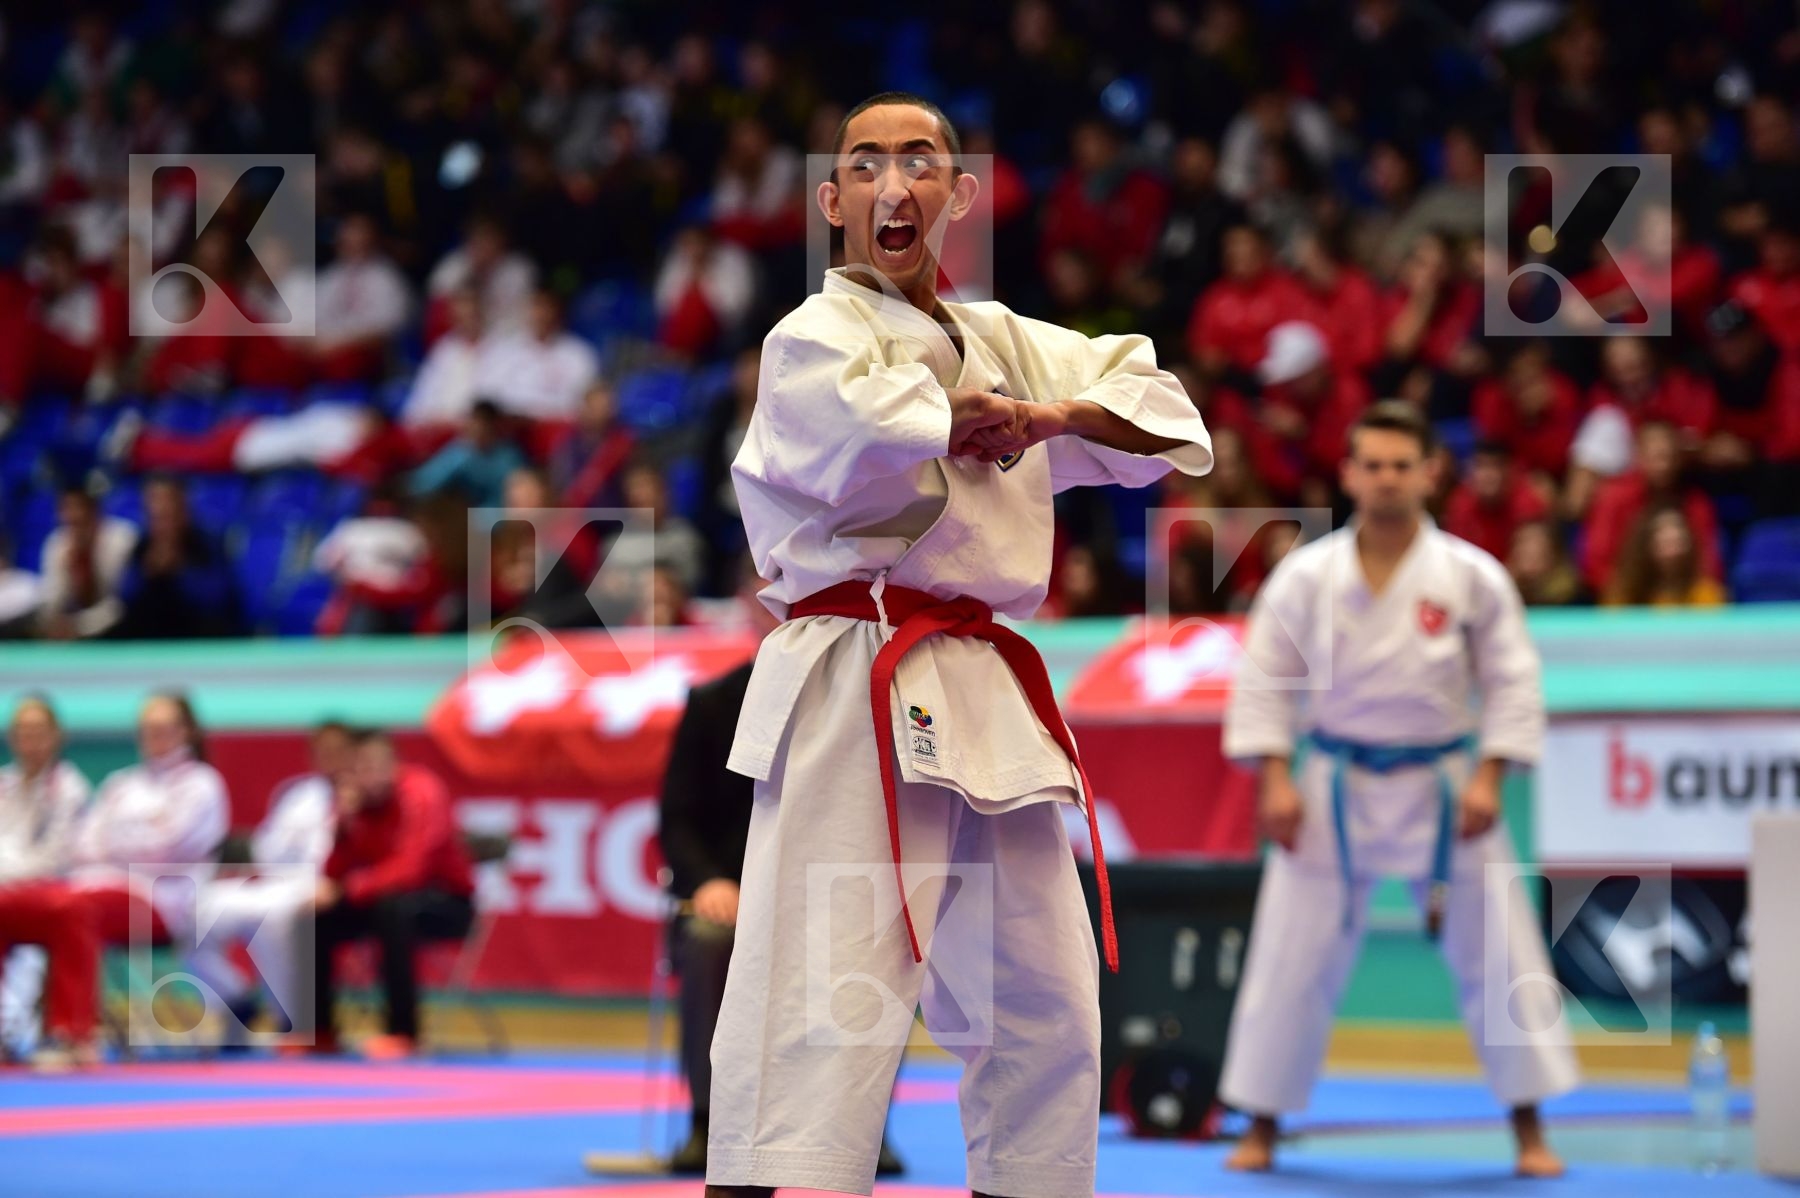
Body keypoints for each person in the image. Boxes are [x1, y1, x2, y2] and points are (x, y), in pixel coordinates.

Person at [707, 93, 1212, 1198]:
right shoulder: (810, 336)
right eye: (866, 163)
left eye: (920, 160)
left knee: (1045, 993)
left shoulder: (1010, 339)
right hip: (855, 664)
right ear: (832, 200)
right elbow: (864, 424)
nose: (894, 183)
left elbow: (1166, 412)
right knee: (829, 978)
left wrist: (1052, 418)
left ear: (959, 192)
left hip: (985, 682)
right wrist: (969, 412)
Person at [1218, 401, 1577, 1178]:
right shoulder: (1306, 574)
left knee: (1500, 951)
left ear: (1430, 473)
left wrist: (1491, 774)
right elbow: (1265, 678)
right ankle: (1261, 1124)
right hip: (1333, 783)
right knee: (1290, 953)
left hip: (1445, 783)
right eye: (1373, 465)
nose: (1386, 479)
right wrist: (1275, 779)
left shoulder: (1472, 575)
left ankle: (1530, 1127)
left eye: (1401, 466)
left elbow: (1513, 680)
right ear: (1348, 474)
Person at [0, 693, 229, 1069]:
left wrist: (119, 844)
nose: (154, 735)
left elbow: (171, 848)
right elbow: (86, 846)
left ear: (187, 731)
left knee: (75, 908)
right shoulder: (121, 784)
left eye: (163, 727)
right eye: (147, 728)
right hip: (93, 885)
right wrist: (141, 838)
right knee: (9, 906)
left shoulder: (203, 784)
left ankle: (73, 1036)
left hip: (161, 898)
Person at [304, 729, 475, 1059]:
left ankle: (403, 1032)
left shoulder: (422, 794)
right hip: (380, 899)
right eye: (360, 768)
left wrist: (351, 888)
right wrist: (343, 825)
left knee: (393, 909)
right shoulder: (355, 805)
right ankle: (320, 1031)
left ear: (394, 765)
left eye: (374, 766)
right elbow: (335, 872)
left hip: (445, 902)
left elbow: (411, 868)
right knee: (317, 916)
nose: (368, 776)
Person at [187, 721, 351, 1037]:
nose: (329, 757)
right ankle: (235, 997)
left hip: (319, 884)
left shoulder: (357, 797)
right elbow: (266, 846)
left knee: (275, 917)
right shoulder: (298, 795)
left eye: (337, 750)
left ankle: (289, 1020)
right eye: (323, 750)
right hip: (275, 880)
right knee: (199, 906)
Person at [0, 697, 91, 1060]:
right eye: (23, 732)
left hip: (49, 894)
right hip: (7, 895)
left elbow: (55, 858)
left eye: (38, 732)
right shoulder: (4, 785)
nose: (30, 741)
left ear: (56, 736)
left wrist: (7, 875)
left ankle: (66, 1033)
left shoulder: (69, 787)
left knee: (71, 911)